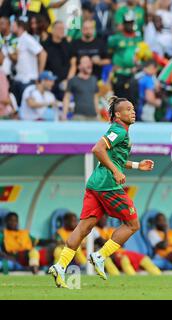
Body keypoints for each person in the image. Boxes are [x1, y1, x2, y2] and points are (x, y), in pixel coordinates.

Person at [48, 96, 155, 288]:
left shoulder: (120, 132)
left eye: (133, 108)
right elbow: (98, 149)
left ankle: (60, 266)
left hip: (95, 183)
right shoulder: (118, 130)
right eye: (128, 109)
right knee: (132, 224)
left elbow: (115, 159)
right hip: (108, 184)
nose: (133, 111)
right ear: (117, 115)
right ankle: (100, 256)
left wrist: (138, 165)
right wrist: (115, 172)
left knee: (84, 227)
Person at [93, 215, 161, 276]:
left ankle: (159, 276)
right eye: (102, 218)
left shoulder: (111, 229)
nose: (104, 220)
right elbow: (102, 243)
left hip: (121, 251)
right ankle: (131, 279)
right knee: (124, 259)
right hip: (110, 253)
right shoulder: (94, 230)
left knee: (144, 258)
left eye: (105, 218)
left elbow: (121, 242)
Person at [63, 56, 99, 121]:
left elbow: (95, 98)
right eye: (86, 62)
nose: (89, 64)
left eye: (90, 61)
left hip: (93, 117)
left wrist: (98, 114)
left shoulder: (94, 79)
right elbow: (67, 98)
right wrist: (64, 115)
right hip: (78, 116)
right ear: (79, 66)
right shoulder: (73, 80)